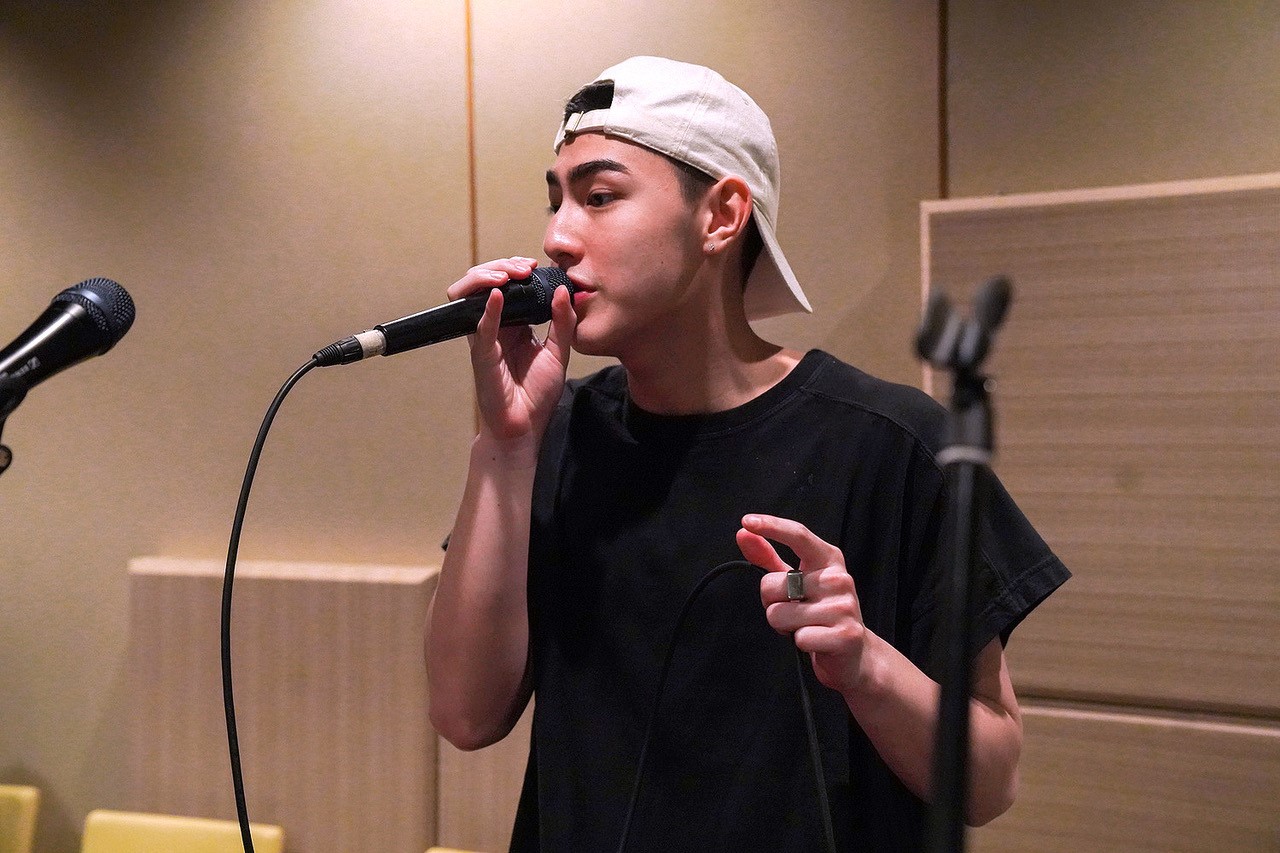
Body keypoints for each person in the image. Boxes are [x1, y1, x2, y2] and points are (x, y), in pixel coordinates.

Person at [425, 56, 1069, 851]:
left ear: (722, 216)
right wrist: (504, 449)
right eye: (555, 200)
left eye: (599, 197)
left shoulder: (898, 445)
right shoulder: (555, 438)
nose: (557, 236)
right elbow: (463, 713)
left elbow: (992, 778)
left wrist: (866, 664)